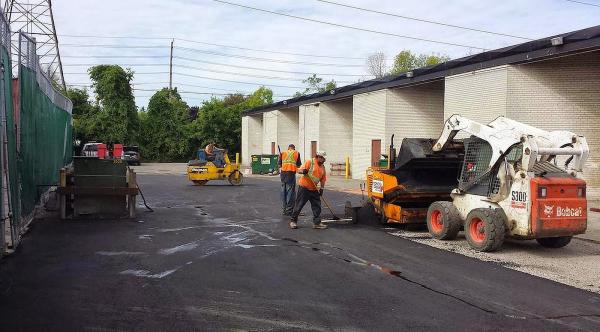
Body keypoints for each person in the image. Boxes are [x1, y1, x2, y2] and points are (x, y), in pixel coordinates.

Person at [290, 151, 328, 230]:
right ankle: (293, 221)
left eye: (324, 159)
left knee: (317, 206)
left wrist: (322, 188)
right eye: (323, 158)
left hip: (314, 189)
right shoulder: (310, 162)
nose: (324, 160)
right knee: (299, 205)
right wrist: (303, 171)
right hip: (304, 188)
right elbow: (299, 170)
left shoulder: (322, 167)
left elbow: (323, 179)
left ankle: (317, 223)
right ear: (318, 157)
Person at [279, 144, 302, 216]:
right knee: (290, 193)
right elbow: (298, 165)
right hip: (291, 174)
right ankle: (289, 211)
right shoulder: (296, 153)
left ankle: (284, 210)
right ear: (294, 148)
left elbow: (279, 165)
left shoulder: (282, 153)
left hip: (283, 175)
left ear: (288, 148)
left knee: (284, 193)